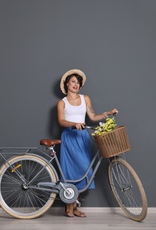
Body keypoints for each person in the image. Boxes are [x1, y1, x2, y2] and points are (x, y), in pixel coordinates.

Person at [57, 69, 118, 218]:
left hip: (82, 137)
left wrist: (107, 113)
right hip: (69, 138)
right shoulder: (62, 103)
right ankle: (69, 206)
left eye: (78, 82)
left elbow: (92, 115)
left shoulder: (85, 99)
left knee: (85, 171)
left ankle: (75, 205)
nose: (76, 84)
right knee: (70, 171)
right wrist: (73, 124)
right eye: (73, 81)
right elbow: (61, 121)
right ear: (66, 83)